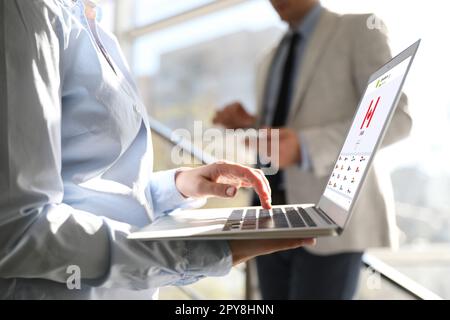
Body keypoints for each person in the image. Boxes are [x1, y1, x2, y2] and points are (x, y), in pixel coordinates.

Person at [0, 0, 316, 300]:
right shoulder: (26, 11)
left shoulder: (95, 26)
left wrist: (178, 186)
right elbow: (17, 230)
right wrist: (206, 251)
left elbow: (96, 191)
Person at [213, 0, 412, 299]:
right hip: (267, 216)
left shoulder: (360, 29)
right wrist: (250, 122)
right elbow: (287, 127)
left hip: (331, 216)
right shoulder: (268, 59)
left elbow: (395, 117)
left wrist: (307, 147)